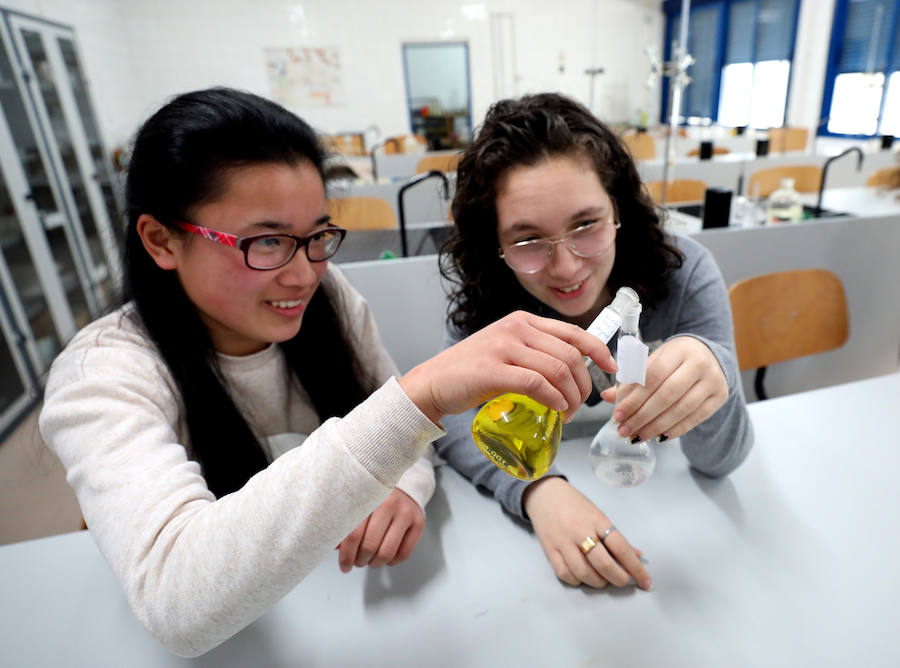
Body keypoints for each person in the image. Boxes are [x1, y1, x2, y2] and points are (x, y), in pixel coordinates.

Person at [38, 88, 618, 657]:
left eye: (316, 237)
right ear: (161, 240)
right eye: (266, 241)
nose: (303, 274)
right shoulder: (102, 376)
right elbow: (177, 604)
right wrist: (418, 400)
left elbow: (407, 448)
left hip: (344, 617)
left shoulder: (325, 299)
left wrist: (402, 490)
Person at [436, 93, 753, 593]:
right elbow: (453, 419)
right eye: (527, 240)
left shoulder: (684, 274)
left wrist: (717, 373)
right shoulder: (490, 305)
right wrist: (538, 490)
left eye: (586, 226)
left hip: (687, 530)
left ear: (618, 210)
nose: (566, 268)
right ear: (495, 246)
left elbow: (722, 463)